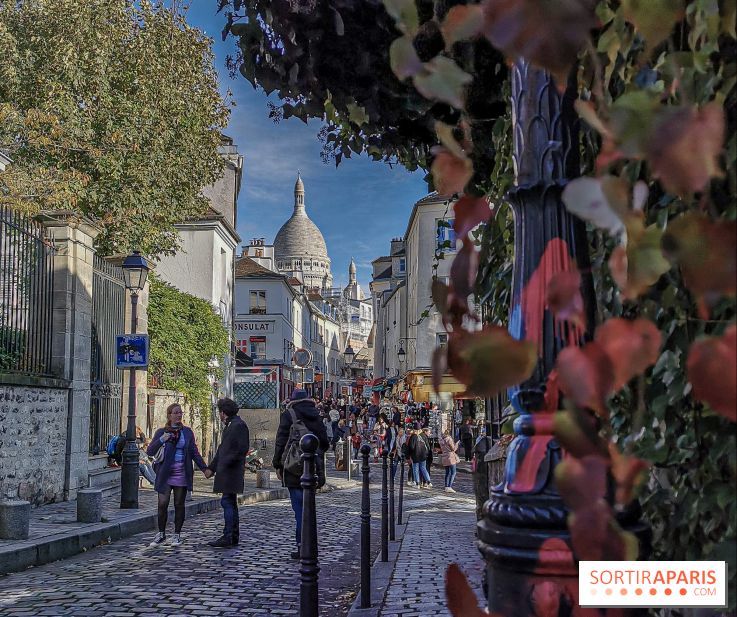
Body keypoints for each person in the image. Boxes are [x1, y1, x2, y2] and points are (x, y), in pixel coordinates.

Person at [273, 389, 329, 560]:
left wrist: (277, 464)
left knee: (299, 510)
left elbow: (281, 441)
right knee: (309, 508)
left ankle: (301, 545)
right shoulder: (316, 415)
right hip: (312, 468)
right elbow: (325, 443)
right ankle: (310, 543)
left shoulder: (289, 415)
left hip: (292, 468)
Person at [146, 403, 208, 547]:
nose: (179, 415)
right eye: (176, 412)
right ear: (169, 415)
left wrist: (204, 468)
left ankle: (177, 535)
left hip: (182, 472)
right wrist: (163, 439)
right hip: (165, 473)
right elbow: (150, 451)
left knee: (179, 504)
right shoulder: (161, 432)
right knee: (162, 504)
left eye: (181, 412)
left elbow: (194, 452)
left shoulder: (187, 432)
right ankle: (161, 534)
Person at [205, 398, 250, 548]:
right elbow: (222, 449)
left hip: (231, 471)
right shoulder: (231, 425)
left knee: (228, 502)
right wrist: (212, 467)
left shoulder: (238, 425)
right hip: (227, 471)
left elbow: (240, 450)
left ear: (223, 413)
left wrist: (224, 464)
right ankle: (230, 534)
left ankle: (229, 535)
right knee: (229, 502)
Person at [408, 424, 432, 488]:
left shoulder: (413, 436)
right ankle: (428, 482)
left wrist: (408, 455)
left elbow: (411, 447)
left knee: (415, 469)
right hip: (423, 455)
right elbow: (427, 446)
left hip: (415, 455)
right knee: (423, 468)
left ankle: (417, 483)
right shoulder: (423, 436)